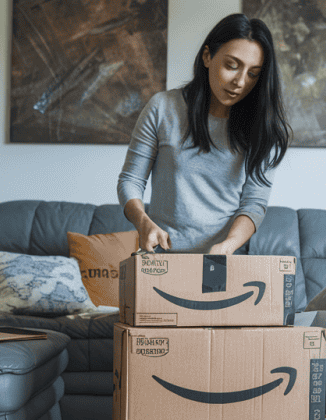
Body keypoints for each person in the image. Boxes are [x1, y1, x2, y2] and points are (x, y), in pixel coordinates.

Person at [117, 13, 290, 255]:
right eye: (232, 65)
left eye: (253, 73)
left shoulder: (263, 127)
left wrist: (226, 247)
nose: (240, 81)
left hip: (224, 259)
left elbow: (254, 203)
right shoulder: (163, 108)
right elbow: (131, 180)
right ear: (208, 56)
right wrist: (143, 222)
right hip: (163, 256)